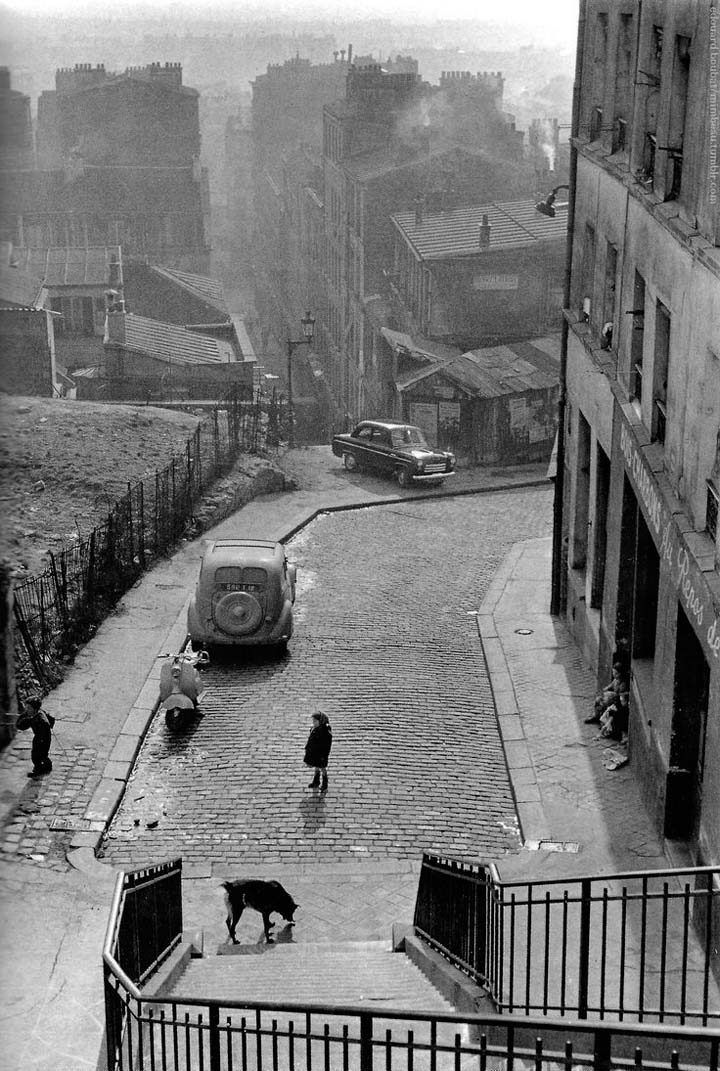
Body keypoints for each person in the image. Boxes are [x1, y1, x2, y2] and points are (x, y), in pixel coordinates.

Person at [16, 697, 55, 778]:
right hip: (45, 737)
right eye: (26, 708)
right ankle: (47, 766)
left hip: (41, 739)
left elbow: (20, 726)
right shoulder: (40, 712)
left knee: (36, 756)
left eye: (29, 708)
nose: (27, 710)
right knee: (43, 755)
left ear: (35, 709)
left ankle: (38, 770)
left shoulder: (37, 719)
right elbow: (52, 719)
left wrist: (26, 718)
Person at [304, 711, 332, 793]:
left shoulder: (325, 731)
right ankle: (316, 781)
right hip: (316, 752)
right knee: (316, 766)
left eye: (315, 721)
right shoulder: (314, 728)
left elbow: (327, 744)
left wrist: (324, 754)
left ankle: (325, 783)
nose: (313, 723)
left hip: (322, 753)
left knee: (322, 768)